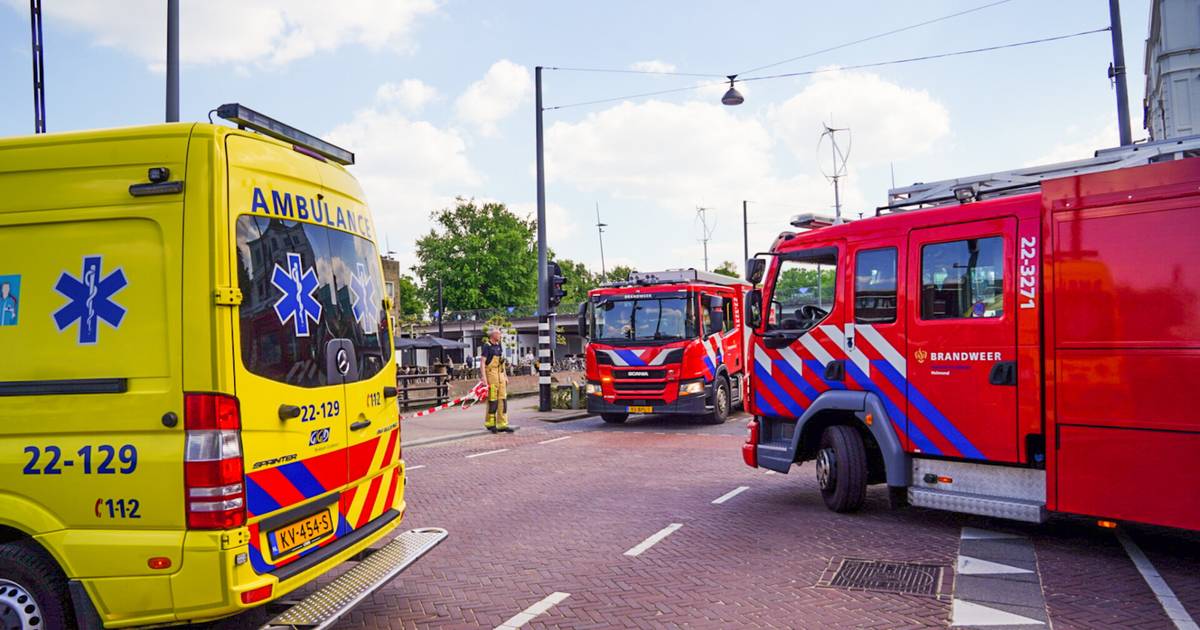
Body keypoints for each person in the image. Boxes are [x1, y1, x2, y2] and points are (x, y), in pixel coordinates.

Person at [480, 328, 512, 433]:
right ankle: (491, 423)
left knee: (503, 400)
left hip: (500, 375)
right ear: (493, 335)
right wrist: (484, 378)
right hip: (491, 376)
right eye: (499, 334)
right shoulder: (487, 346)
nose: (500, 335)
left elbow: (501, 363)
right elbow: (482, 363)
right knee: (493, 401)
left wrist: (505, 376)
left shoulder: (499, 345)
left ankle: (502, 424)